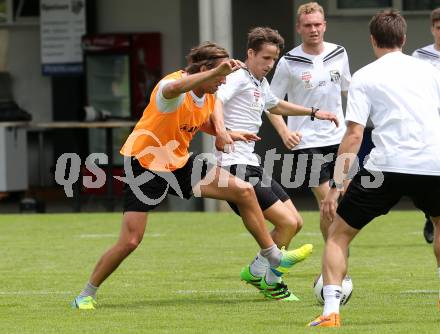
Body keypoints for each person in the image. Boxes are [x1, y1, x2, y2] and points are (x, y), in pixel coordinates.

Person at [71, 42, 314, 310]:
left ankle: (272, 256)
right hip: (145, 165)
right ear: (203, 70)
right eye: (219, 77)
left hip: (180, 164)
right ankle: (86, 293)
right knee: (130, 241)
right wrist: (213, 75)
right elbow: (175, 89)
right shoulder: (172, 86)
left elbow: (203, 122)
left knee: (243, 191)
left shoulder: (209, 94)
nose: (222, 83)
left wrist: (227, 133)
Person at [307, 10, 440, 327]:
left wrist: (336, 187)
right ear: (404, 39)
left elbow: (354, 135)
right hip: (432, 163)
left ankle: (330, 313)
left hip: (387, 166)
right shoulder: (431, 72)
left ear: (372, 40)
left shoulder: (364, 76)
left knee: (338, 235)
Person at [214, 27, 339, 301]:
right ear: (250, 53)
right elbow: (216, 99)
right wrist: (222, 130)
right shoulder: (237, 77)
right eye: (265, 58)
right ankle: (268, 278)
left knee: (295, 222)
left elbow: (276, 105)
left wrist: (315, 112)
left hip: (252, 163)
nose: (270, 65)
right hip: (235, 166)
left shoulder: (259, 82)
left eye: (273, 59)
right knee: (285, 223)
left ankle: (260, 273)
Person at [270, 2, 351, 240]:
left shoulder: (339, 53)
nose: (313, 29)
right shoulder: (288, 61)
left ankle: (331, 267)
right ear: (299, 28)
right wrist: (284, 132)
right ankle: (333, 268)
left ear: (324, 25)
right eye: (308, 25)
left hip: (338, 137)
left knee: (338, 204)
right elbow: (270, 103)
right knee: (328, 200)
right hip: (306, 142)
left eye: (317, 24)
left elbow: (349, 91)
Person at [412, 7, 440, 244]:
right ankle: (430, 216)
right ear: (433, 29)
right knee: (430, 175)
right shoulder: (420, 56)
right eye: (439, 28)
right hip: (429, 124)